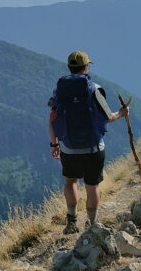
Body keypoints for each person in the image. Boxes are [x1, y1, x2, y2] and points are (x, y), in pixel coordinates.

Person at [48, 50, 128, 234]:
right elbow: (109, 116)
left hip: (68, 147)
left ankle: (71, 222)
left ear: (70, 67)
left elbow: (52, 118)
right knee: (92, 186)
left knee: (71, 182)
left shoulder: (59, 91)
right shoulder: (95, 88)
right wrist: (122, 113)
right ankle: (92, 225)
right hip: (93, 147)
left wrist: (54, 144)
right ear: (86, 67)